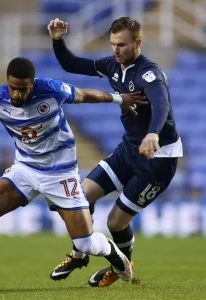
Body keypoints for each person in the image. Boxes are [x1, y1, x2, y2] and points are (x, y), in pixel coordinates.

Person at [0, 57, 146, 292]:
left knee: (85, 243)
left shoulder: (52, 90)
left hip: (61, 175)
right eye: (13, 88)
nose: (17, 95)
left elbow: (85, 95)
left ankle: (110, 250)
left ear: (32, 84)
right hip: (25, 170)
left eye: (22, 89)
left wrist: (119, 99)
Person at [47, 17, 183, 287]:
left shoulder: (149, 73)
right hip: (129, 148)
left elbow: (161, 103)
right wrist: (57, 41)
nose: (116, 50)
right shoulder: (112, 65)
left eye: (121, 45)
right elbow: (72, 64)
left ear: (138, 43)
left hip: (158, 158)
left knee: (115, 223)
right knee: (82, 196)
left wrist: (153, 133)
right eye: (112, 44)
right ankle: (79, 253)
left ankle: (123, 266)